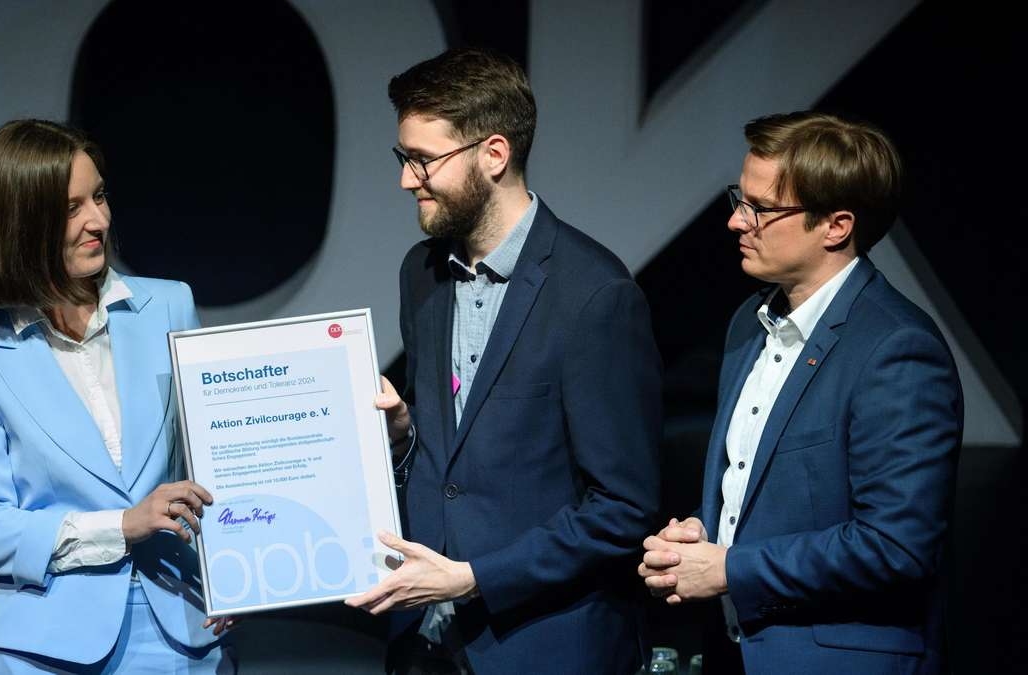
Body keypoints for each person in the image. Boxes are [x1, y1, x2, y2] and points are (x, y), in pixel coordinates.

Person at [345, 48, 663, 674]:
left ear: (494, 154)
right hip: (425, 640)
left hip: (542, 645)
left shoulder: (595, 295)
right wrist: (405, 433)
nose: (407, 180)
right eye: (403, 158)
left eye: (422, 159)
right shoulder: (422, 272)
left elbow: (623, 510)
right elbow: (455, 460)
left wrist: (474, 578)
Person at [638, 111, 962, 674]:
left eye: (760, 209)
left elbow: (895, 547)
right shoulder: (749, 323)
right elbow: (766, 493)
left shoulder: (896, 350)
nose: (736, 222)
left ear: (835, 226)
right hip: (737, 651)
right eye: (739, 199)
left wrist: (727, 568)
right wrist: (701, 530)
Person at [0, 119, 235, 673]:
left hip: (184, 621)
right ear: (18, 222)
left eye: (99, 196)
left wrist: (239, 567)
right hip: (42, 641)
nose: (98, 220)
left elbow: (216, 462)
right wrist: (121, 525)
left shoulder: (170, 307)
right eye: (71, 208)